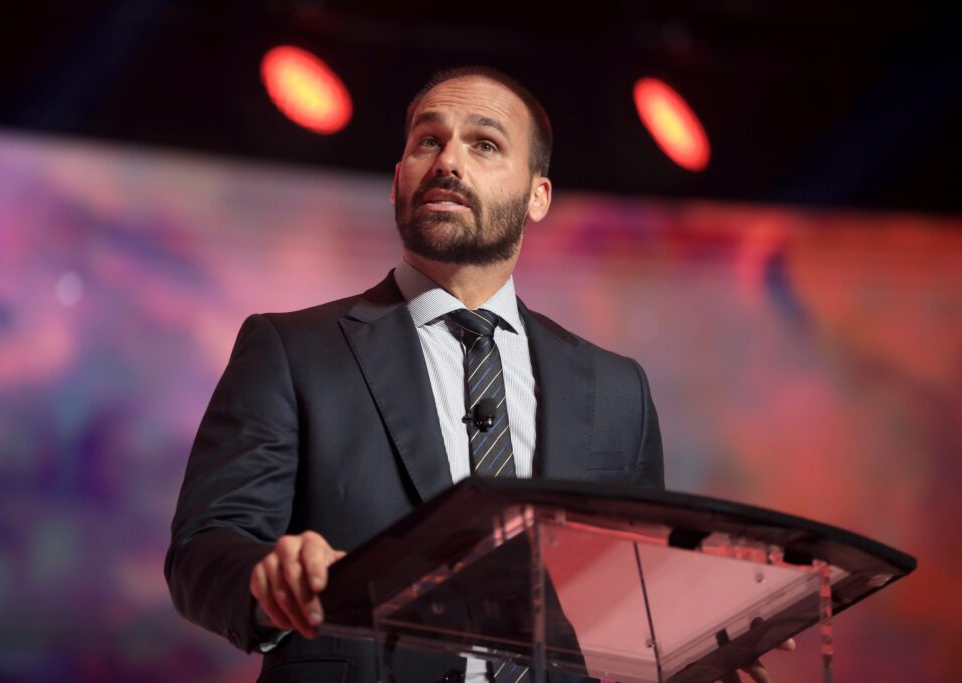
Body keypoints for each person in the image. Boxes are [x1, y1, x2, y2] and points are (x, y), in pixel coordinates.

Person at [166, 66, 781, 683]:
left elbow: (633, 600)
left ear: (538, 196)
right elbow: (204, 550)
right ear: (397, 181)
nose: (447, 162)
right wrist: (268, 579)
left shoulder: (617, 390)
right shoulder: (293, 350)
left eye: (484, 144)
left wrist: (694, 651)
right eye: (427, 141)